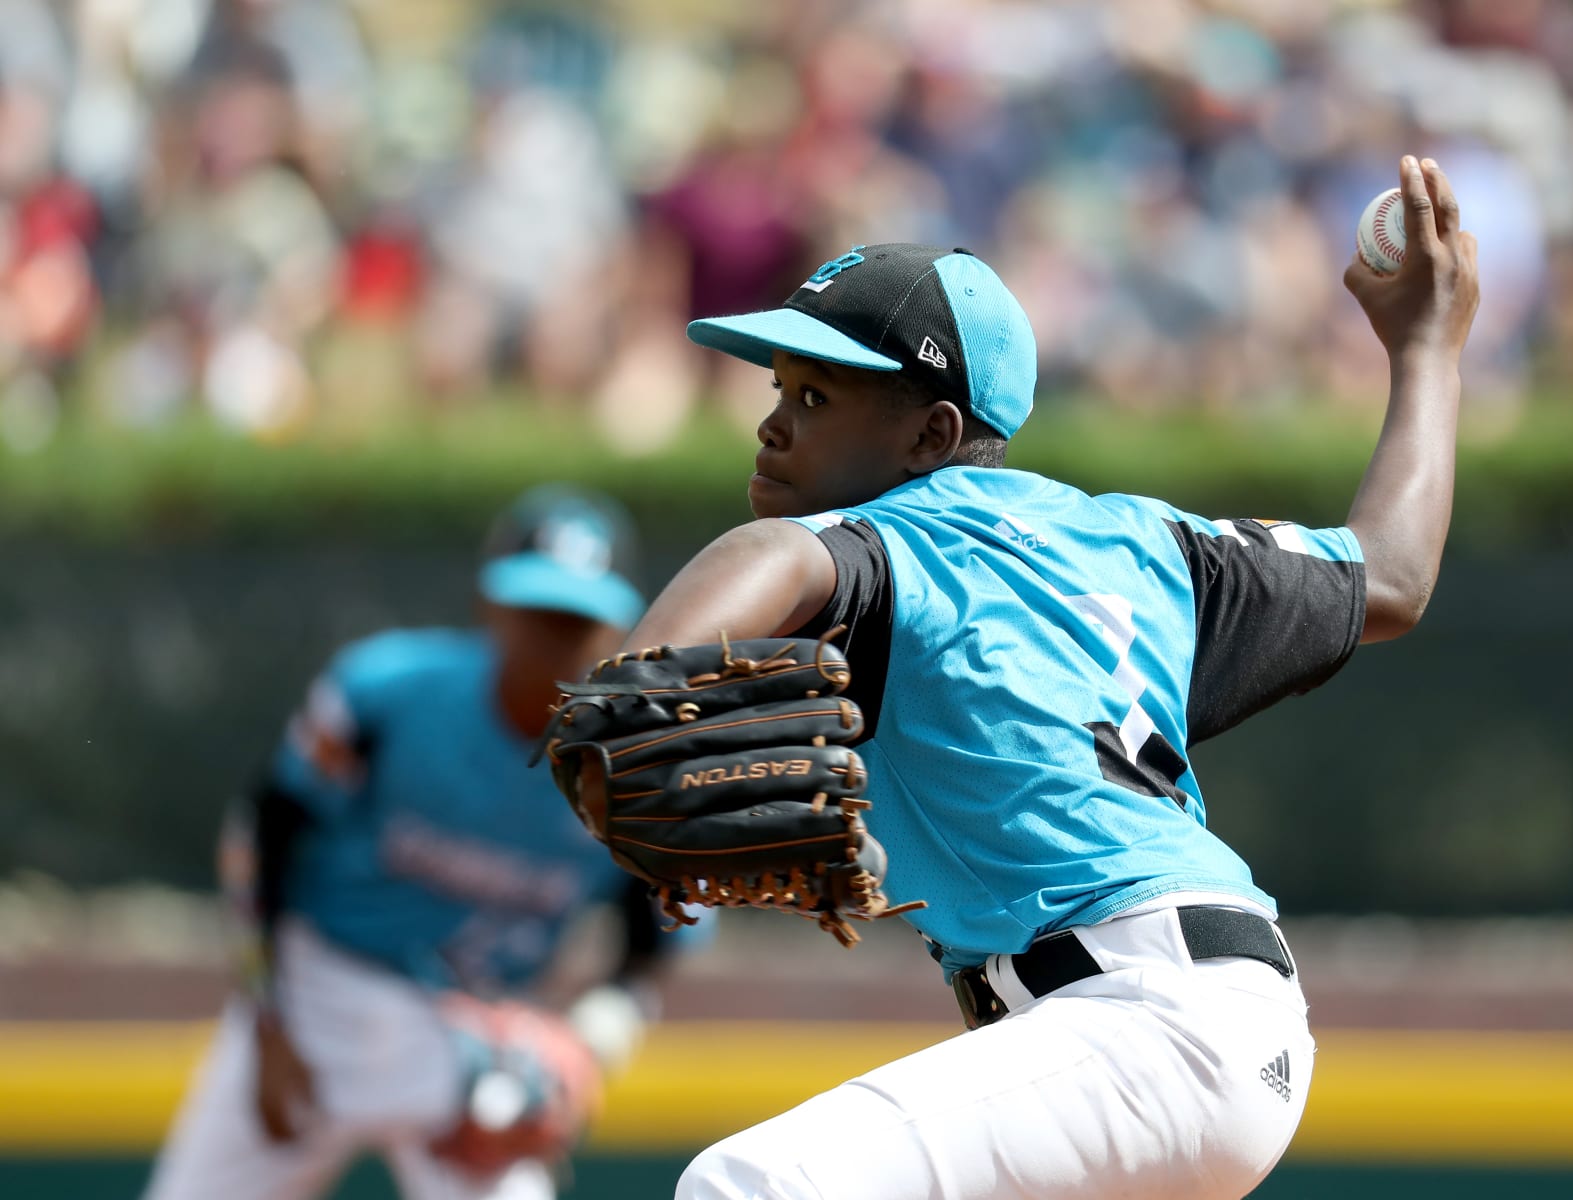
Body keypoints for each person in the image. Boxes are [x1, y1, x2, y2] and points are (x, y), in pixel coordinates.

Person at [602, 155, 1479, 1200]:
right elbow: (1391, 575)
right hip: (1186, 1023)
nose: (774, 422)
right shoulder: (1148, 544)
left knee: (750, 1187)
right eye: (782, 387)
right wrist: (1427, 348)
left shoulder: (875, 544)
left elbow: (767, 573)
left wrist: (632, 693)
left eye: (820, 393)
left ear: (932, 435)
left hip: (1142, 1018)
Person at [144, 484, 704, 1200]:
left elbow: (651, 948)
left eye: (577, 619)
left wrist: (583, 1051)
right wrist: (269, 1014)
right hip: (324, 994)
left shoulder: (645, 775)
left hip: (485, 1028)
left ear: (617, 631)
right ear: (489, 608)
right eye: (537, 612)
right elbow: (259, 838)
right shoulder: (389, 693)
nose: (553, 637)